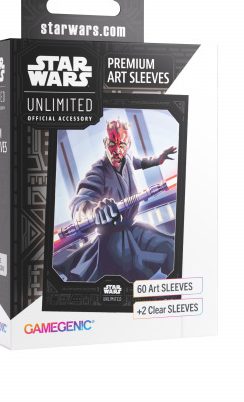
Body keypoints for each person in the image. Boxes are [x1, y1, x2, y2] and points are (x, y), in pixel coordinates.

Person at [55, 118, 177, 282]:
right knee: (126, 270)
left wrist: (158, 160)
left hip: (133, 229)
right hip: (112, 240)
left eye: (121, 145)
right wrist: (94, 210)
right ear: (105, 143)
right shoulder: (98, 171)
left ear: (128, 145)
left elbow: (140, 162)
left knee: (170, 247)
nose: (116, 151)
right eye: (112, 144)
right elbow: (80, 202)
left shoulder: (127, 158)